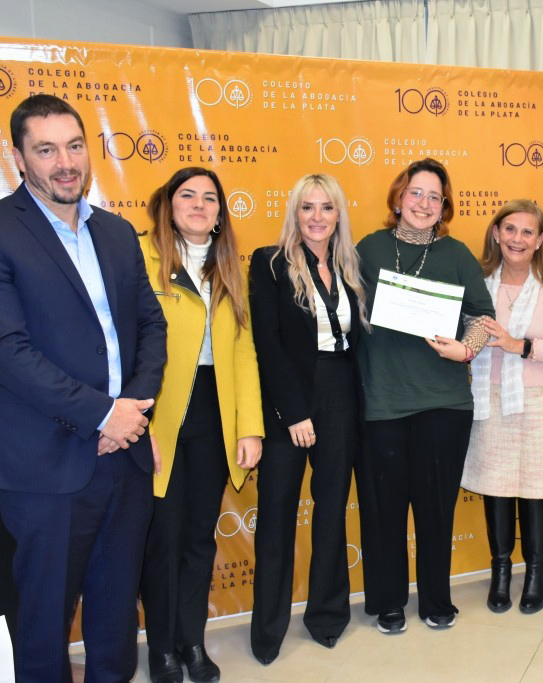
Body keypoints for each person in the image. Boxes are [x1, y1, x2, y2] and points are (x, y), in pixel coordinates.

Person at [0, 94, 167, 683]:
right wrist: (105, 416)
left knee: (113, 615)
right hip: (43, 463)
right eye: (46, 149)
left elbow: (151, 326)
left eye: (75, 146)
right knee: (43, 622)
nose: (65, 162)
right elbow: (7, 352)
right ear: (18, 158)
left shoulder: (114, 230)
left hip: (124, 456)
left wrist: (129, 414)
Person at [355, 158, 496, 632]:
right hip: (383, 402)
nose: (424, 203)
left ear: (444, 208)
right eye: (416, 193)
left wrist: (466, 348)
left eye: (434, 197)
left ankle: (437, 600)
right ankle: (389, 602)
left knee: (435, 511)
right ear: (398, 198)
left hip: (444, 403)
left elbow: (481, 317)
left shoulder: (457, 255)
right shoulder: (367, 249)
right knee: (384, 511)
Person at [138, 167, 263, 683]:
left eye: (209, 198)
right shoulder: (140, 258)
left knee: (197, 539)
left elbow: (244, 350)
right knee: (162, 538)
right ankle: (162, 648)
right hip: (161, 412)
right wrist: (138, 426)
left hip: (214, 413)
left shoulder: (231, 267)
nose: (198, 204)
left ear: (219, 214)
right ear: (168, 205)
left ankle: (193, 642)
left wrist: (249, 427)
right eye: (187, 195)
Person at [248, 174, 369, 661]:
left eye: (327, 208)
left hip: (340, 393)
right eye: (307, 207)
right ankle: (268, 629)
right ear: (294, 214)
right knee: (276, 513)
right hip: (289, 400)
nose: (317, 217)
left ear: (339, 214)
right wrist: (293, 412)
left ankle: (327, 615)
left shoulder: (349, 266)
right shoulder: (269, 262)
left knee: (331, 508)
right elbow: (268, 343)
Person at [462, 199, 543, 615]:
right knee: (496, 485)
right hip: (489, 395)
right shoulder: (477, 279)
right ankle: (500, 571)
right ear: (496, 233)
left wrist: (521, 346)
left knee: (536, 486)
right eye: (509, 229)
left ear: (540, 240)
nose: (517, 239)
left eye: (527, 232)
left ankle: (534, 572)